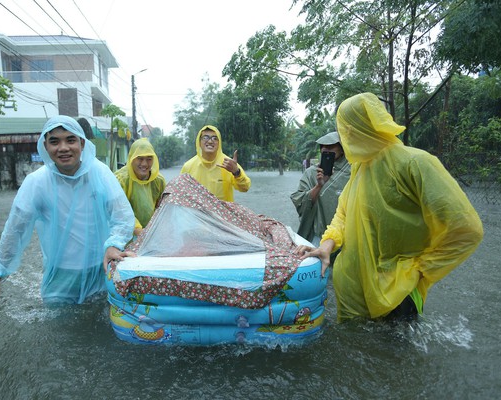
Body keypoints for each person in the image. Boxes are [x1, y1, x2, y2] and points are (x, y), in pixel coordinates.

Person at [295, 93, 483, 322]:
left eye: (346, 129)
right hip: (353, 291)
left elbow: (466, 229)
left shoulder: (416, 163)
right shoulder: (360, 168)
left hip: (399, 291)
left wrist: (420, 269)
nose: (346, 137)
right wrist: (326, 246)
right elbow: (342, 214)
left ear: (359, 129)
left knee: (399, 352)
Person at [0, 115, 135, 312]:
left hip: (100, 273)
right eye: (55, 141)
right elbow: (14, 232)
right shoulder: (36, 183)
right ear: (45, 145)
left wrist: (114, 245)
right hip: (59, 280)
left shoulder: (100, 173)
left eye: (70, 140)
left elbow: (122, 216)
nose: (63, 148)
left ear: (82, 143)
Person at [290, 131, 350, 247]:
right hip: (319, 236)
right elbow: (299, 200)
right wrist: (319, 186)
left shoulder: (354, 171)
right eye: (323, 146)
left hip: (347, 235)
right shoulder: (311, 173)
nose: (325, 149)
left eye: (331, 146)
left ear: (342, 149)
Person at [180, 125, 251, 202]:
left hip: (222, 213)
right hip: (196, 213)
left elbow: (245, 188)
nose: (210, 141)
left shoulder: (229, 164)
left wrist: (236, 172)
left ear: (219, 143)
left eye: (215, 138)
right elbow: (180, 194)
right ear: (199, 142)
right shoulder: (188, 166)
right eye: (205, 137)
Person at [115, 138, 166, 236]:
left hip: (151, 235)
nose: (144, 164)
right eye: (140, 158)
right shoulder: (120, 180)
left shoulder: (158, 180)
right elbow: (120, 211)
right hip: (125, 237)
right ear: (131, 158)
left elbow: (162, 208)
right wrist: (138, 231)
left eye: (149, 159)